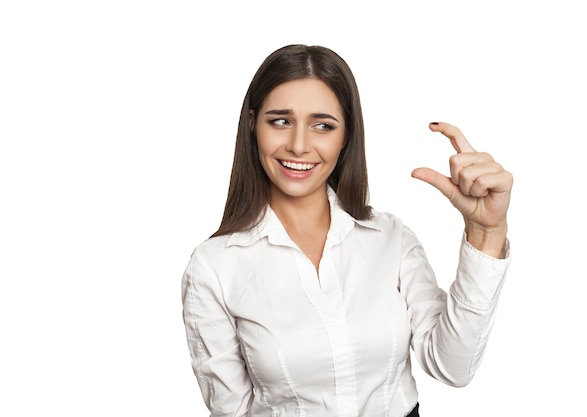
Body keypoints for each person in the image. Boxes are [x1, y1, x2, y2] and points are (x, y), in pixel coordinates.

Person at [181, 44, 512, 417]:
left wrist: (486, 231)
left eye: (323, 125)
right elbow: (232, 410)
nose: (299, 145)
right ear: (253, 125)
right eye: (280, 121)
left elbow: (453, 367)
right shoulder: (214, 267)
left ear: (346, 136)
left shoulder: (391, 239)